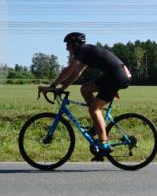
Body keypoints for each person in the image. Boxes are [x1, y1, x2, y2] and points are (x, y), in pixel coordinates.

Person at [39, 32, 132, 160]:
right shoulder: (87, 52)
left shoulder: (82, 50)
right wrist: (62, 88)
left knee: (94, 109)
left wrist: (53, 86)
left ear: (75, 44)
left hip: (117, 77)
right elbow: (76, 72)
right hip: (116, 75)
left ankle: (104, 144)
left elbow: (69, 69)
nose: (67, 49)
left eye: (68, 45)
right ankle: (97, 125)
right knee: (85, 89)